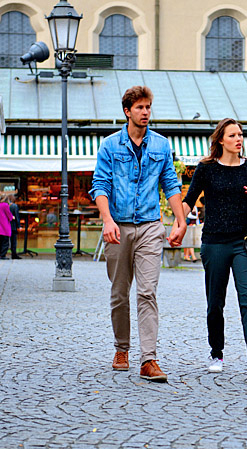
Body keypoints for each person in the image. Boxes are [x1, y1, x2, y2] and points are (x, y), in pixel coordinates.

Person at [89, 85, 186, 383]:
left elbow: (170, 184)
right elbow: (100, 186)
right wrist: (107, 220)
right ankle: (121, 349)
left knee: (147, 292)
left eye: (148, 108)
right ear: (127, 111)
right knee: (119, 293)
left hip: (149, 227)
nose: (145, 113)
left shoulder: (161, 146)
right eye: (140, 108)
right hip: (117, 227)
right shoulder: (109, 146)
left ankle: (148, 359)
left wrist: (180, 221)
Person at [181, 118, 247, 380]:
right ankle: (216, 352)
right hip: (214, 243)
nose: (239, 139)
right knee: (215, 303)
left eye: (241, 134)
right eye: (233, 135)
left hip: (243, 243)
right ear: (220, 140)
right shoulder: (206, 169)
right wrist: (178, 224)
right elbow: (189, 201)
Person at [8, 194, 21, 259]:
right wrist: (19, 226)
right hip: (13, 226)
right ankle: (14, 254)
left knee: (6, 241)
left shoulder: (6, 206)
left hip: (7, 225)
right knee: (13, 241)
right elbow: (17, 216)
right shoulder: (15, 206)